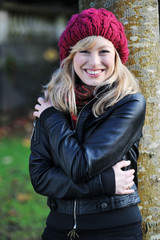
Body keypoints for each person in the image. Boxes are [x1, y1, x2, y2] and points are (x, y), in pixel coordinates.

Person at [29, 8, 146, 240]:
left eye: (103, 51)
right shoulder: (53, 102)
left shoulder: (128, 104)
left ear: (116, 55)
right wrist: (105, 181)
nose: (94, 62)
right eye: (84, 51)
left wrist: (51, 118)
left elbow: (81, 165)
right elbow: (40, 177)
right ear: (71, 56)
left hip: (114, 229)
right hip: (58, 228)